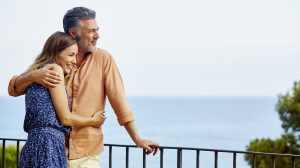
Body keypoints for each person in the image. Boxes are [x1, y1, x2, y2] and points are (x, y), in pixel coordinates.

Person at [8, 7, 159, 168]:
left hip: (85, 154)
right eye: (92, 31)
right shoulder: (55, 62)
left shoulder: (103, 59)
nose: (97, 35)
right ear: (74, 33)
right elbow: (13, 89)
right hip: (53, 148)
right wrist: (34, 75)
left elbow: (119, 103)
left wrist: (137, 139)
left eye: (97, 30)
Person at [17, 31, 106, 168]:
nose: (74, 61)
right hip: (48, 145)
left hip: (33, 144)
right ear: (55, 53)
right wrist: (94, 121)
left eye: (75, 56)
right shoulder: (55, 69)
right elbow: (65, 118)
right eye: (70, 55)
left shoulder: (37, 72)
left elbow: (13, 87)